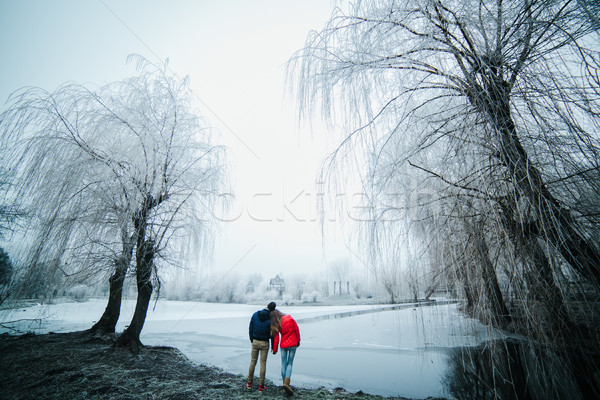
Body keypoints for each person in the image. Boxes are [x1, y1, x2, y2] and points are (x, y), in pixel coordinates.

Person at [271, 308, 301, 396]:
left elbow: (276, 338)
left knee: (283, 364)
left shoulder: (276, 323)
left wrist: (274, 349)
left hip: (283, 345)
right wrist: (298, 341)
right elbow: (296, 330)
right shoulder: (289, 318)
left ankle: (285, 384)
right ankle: (286, 384)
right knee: (290, 364)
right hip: (292, 344)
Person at [247, 301, 276, 392]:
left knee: (252, 362)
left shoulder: (255, 314)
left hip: (255, 341)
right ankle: (261, 386)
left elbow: (250, 328)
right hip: (264, 343)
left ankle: (249, 384)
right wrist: (273, 346)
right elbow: (272, 334)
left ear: (267, 306)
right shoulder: (272, 319)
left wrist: (252, 340)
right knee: (263, 364)